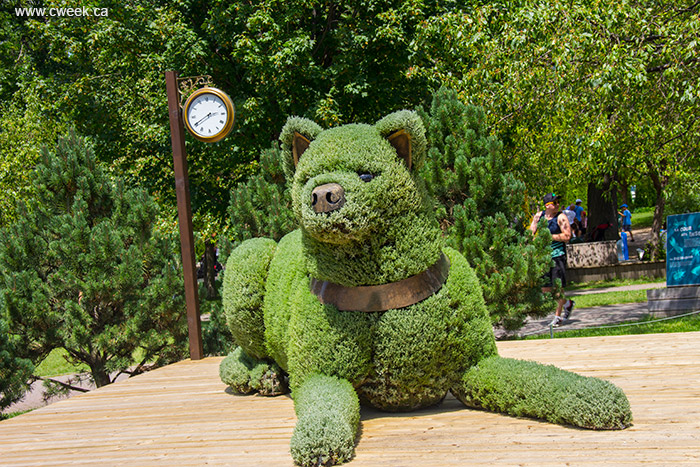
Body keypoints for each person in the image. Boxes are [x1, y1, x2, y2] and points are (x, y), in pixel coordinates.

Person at [530, 193, 575, 327]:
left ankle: (557, 317)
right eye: (554, 203)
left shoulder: (561, 217)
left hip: (557, 255)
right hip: (544, 256)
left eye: (557, 203)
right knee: (545, 288)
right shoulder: (539, 217)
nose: (557, 205)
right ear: (547, 205)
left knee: (556, 287)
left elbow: (567, 236)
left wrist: (550, 236)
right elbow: (531, 233)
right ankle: (567, 303)